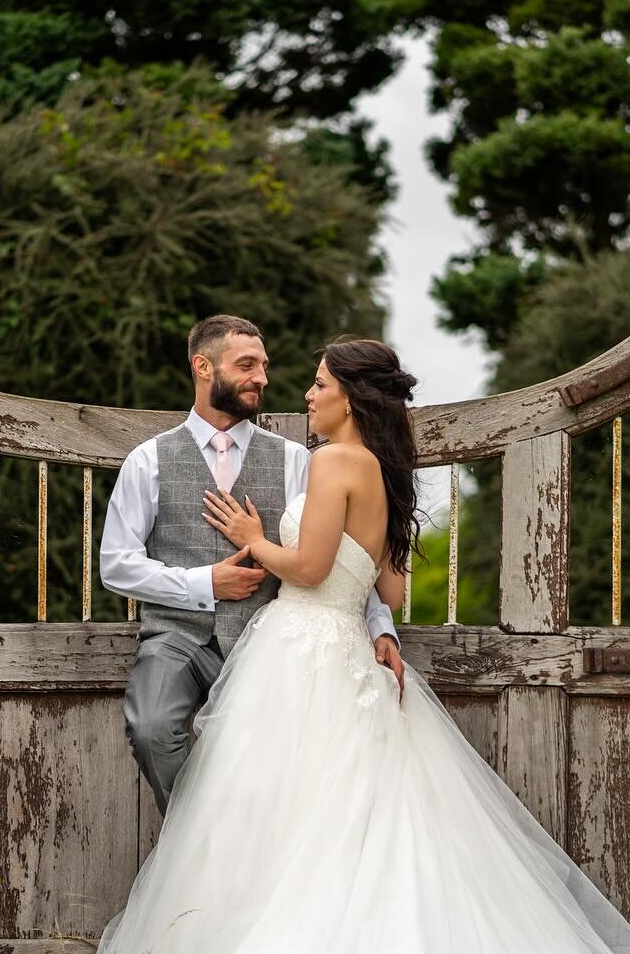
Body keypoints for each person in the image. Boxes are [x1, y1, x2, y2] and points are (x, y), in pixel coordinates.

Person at [96, 337, 630, 954]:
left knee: (271, 795)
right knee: (332, 798)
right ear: (204, 368)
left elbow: (311, 568)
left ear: (351, 399)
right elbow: (384, 581)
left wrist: (253, 538)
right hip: (308, 644)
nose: (299, 392)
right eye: (251, 365)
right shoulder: (376, 471)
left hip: (296, 644)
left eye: (318, 385)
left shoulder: (321, 461)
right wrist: (375, 624)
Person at [99, 316, 402, 816]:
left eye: (264, 366)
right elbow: (116, 564)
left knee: (277, 769)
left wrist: (380, 625)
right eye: (247, 365)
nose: (262, 377)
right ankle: (193, 846)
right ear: (203, 367)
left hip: (269, 640)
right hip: (177, 637)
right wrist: (205, 583)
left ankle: (231, 860)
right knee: (152, 729)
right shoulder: (148, 459)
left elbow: (343, 558)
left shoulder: (297, 460)